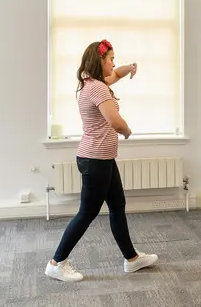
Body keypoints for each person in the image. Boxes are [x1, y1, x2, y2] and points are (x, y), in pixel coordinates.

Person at [45, 39, 158, 282]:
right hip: (95, 159)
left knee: (117, 206)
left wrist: (127, 68)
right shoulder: (97, 88)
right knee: (87, 212)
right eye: (111, 59)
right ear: (100, 62)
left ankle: (132, 259)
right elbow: (115, 121)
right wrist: (127, 131)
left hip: (102, 158)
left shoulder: (93, 83)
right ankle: (57, 262)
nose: (114, 63)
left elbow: (115, 75)